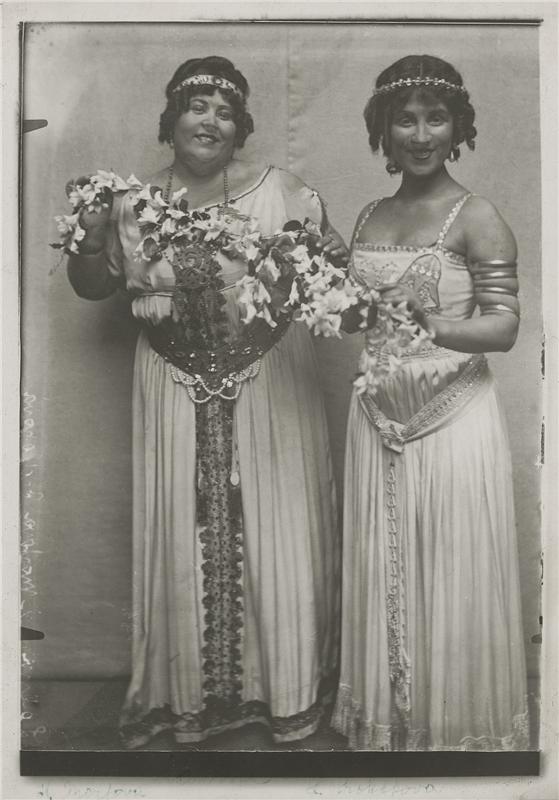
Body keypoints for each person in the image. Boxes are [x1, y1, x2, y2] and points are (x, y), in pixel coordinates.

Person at [67, 55, 345, 748]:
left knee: (277, 531)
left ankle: (283, 692)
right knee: (181, 530)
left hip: (267, 380)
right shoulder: (130, 202)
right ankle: (187, 698)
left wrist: (294, 272)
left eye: (225, 112)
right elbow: (93, 287)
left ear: (239, 127)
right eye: (197, 107)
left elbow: (335, 281)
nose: (210, 122)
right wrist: (91, 234)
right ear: (173, 118)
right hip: (172, 381)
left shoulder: (284, 192)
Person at [332, 55, 529, 750]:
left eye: (435, 118)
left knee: (451, 570)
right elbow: (357, 318)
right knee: (382, 566)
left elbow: (503, 328)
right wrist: (319, 285)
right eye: (404, 120)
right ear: (382, 130)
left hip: (451, 416)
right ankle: (388, 724)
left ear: (458, 128)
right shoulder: (368, 214)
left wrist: (431, 323)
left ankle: (452, 731)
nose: (420, 135)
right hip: (376, 414)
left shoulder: (477, 216)